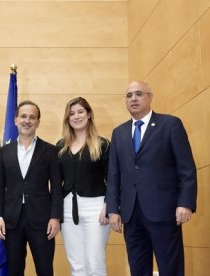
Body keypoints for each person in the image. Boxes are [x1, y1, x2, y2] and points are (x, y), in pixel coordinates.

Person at [106, 81, 197, 276]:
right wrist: (113, 210)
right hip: (131, 215)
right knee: (138, 269)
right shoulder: (119, 133)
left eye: (139, 94)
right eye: (129, 95)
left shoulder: (170, 124)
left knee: (170, 268)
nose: (133, 99)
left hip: (164, 212)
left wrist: (185, 203)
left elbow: (186, 168)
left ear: (150, 97)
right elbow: (114, 175)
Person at [0, 100, 63, 276]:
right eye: (23, 116)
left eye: (32, 117)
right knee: (15, 269)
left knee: (45, 269)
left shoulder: (50, 151)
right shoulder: (4, 151)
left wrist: (55, 217)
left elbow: (56, 188)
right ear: (15, 119)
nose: (27, 121)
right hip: (11, 221)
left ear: (38, 122)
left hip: (42, 220)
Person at [57, 97, 110, 276]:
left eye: (80, 112)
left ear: (88, 115)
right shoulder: (60, 146)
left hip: (96, 208)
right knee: (77, 264)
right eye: (71, 113)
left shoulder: (102, 144)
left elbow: (113, 178)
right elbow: (56, 183)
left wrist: (108, 205)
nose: (76, 116)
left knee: (95, 262)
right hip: (67, 210)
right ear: (67, 118)